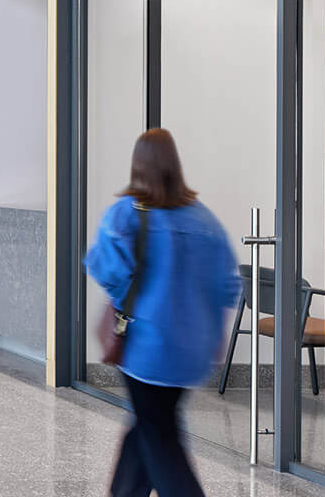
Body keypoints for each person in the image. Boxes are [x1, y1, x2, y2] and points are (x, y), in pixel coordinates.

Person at [84, 129, 240, 497]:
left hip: (148, 349)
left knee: (159, 436)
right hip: (192, 353)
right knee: (149, 424)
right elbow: (226, 285)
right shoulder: (205, 220)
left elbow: (107, 270)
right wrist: (216, 335)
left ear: (138, 165)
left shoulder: (128, 214)